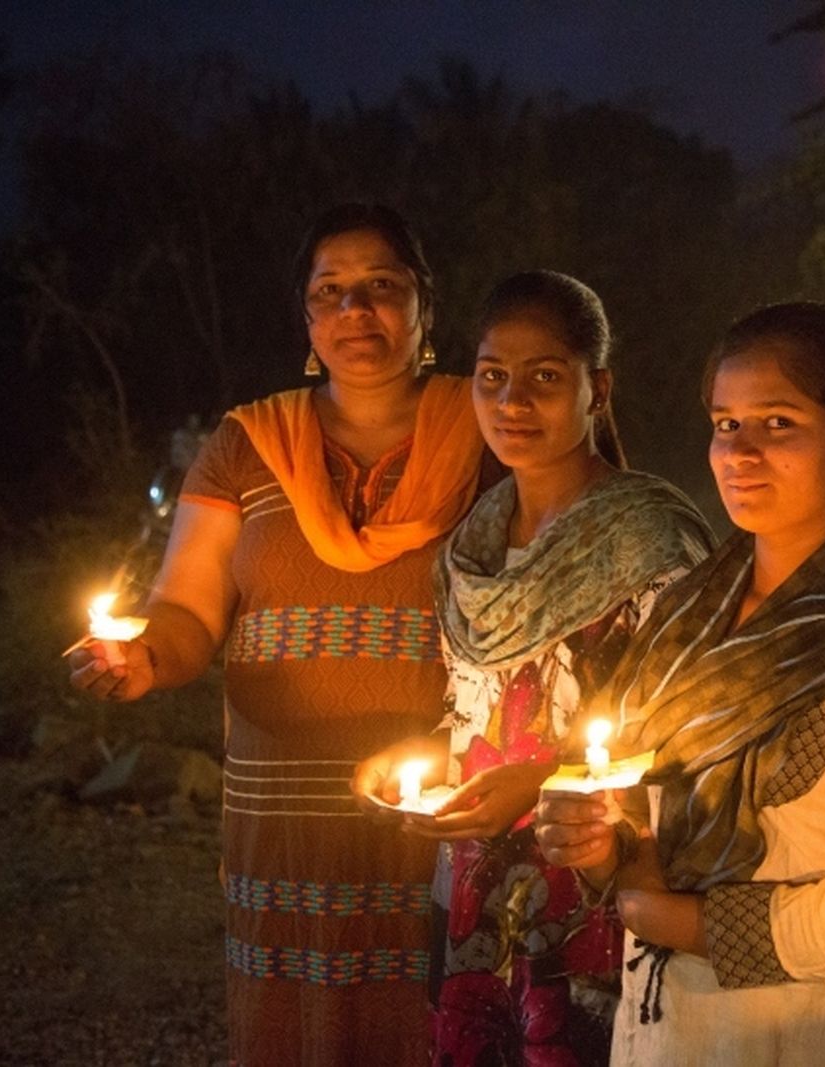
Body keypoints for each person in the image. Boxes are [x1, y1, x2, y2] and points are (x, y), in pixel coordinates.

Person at [69, 203, 487, 1065]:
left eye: (380, 287)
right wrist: (145, 658)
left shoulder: (488, 430)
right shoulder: (247, 443)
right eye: (329, 291)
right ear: (306, 319)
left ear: (425, 309)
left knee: (440, 1011)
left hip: (447, 790)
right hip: (282, 802)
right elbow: (187, 609)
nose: (354, 311)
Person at [535, 301, 825, 1065]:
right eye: (726, 424)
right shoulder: (684, 619)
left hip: (814, 1037)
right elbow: (641, 830)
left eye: (777, 423)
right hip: (663, 1032)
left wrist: (664, 915)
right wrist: (597, 847)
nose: (740, 452)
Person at [351, 270, 713, 1065]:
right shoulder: (471, 547)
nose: (513, 402)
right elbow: (475, 708)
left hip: (599, 885)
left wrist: (544, 782)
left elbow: (696, 725)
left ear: (599, 388)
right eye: (493, 377)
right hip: (477, 887)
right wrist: (416, 757)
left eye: (545, 376)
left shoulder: (648, 536)